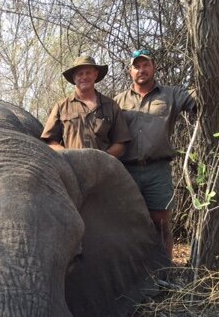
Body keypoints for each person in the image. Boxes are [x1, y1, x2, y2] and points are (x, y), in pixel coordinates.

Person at [114, 49, 197, 261]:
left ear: (154, 67)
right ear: (130, 71)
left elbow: (203, 96)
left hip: (157, 169)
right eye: (137, 66)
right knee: (127, 224)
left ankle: (163, 273)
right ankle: (132, 275)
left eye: (146, 65)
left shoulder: (171, 94)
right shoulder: (117, 102)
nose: (141, 70)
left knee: (161, 224)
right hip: (126, 171)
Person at [41, 55, 131, 157]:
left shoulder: (111, 105)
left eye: (88, 73)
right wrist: (67, 156)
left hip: (103, 169)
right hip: (70, 169)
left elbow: (121, 143)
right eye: (80, 74)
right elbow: (49, 141)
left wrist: (103, 158)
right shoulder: (61, 106)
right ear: (74, 78)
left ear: (95, 75)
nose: (84, 77)